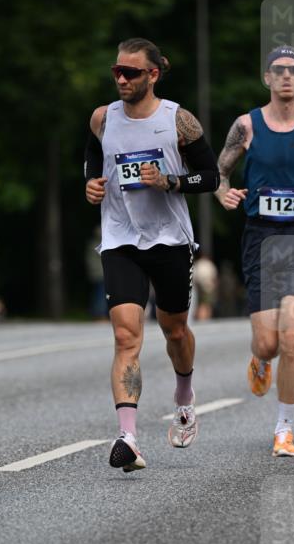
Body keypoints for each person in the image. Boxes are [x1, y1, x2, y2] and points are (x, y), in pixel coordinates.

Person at [84, 37, 219, 471]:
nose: (121, 79)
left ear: (153, 74)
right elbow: (94, 155)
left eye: (130, 72)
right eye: (116, 71)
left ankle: (184, 396)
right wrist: (91, 183)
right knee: (126, 336)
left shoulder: (178, 120)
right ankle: (128, 437)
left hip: (169, 239)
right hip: (120, 239)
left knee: (174, 331)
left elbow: (211, 177)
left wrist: (171, 182)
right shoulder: (103, 118)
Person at [215, 45, 294, 457]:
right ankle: (260, 359)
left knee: (291, 337)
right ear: (267, 78)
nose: (286, 75)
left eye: (293, 69)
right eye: (278, 69)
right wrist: (222, 193)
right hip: (261, 239)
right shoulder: (246, 126)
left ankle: (284, 430)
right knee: (268, 343)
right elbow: (220, 171)